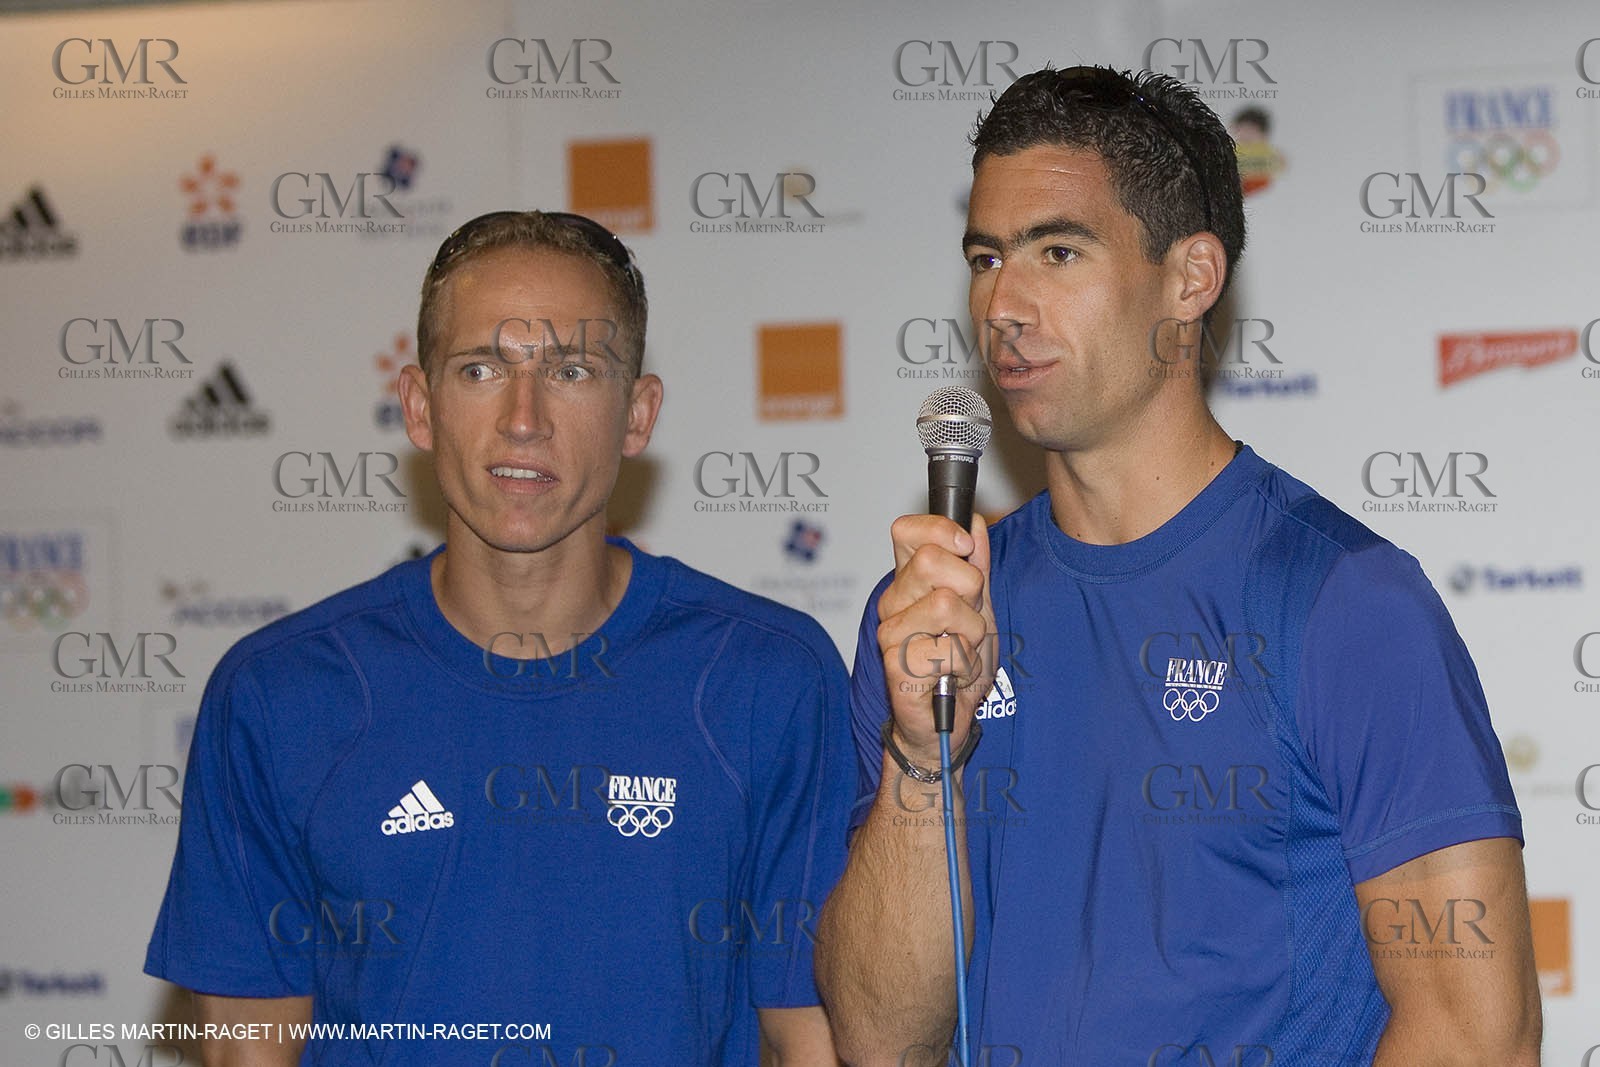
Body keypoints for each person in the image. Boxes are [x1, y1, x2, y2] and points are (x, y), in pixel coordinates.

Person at [815, 67, 1540, 1066]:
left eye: (1056, 251)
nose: (1004, 303)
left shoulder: (1344, 600)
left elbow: (1475, 1035)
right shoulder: (935, 613)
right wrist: (918, 757)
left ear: (1190, 277)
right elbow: (880, 1040)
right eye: (984, 257)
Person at [146, 210, 851, 1066]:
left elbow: (808, 1044)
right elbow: (245, 1054)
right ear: (418, 405)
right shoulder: (280, 694)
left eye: (572, 370)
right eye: (481, 368)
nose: (524, 418)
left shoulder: (767, 677)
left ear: (637, 414)